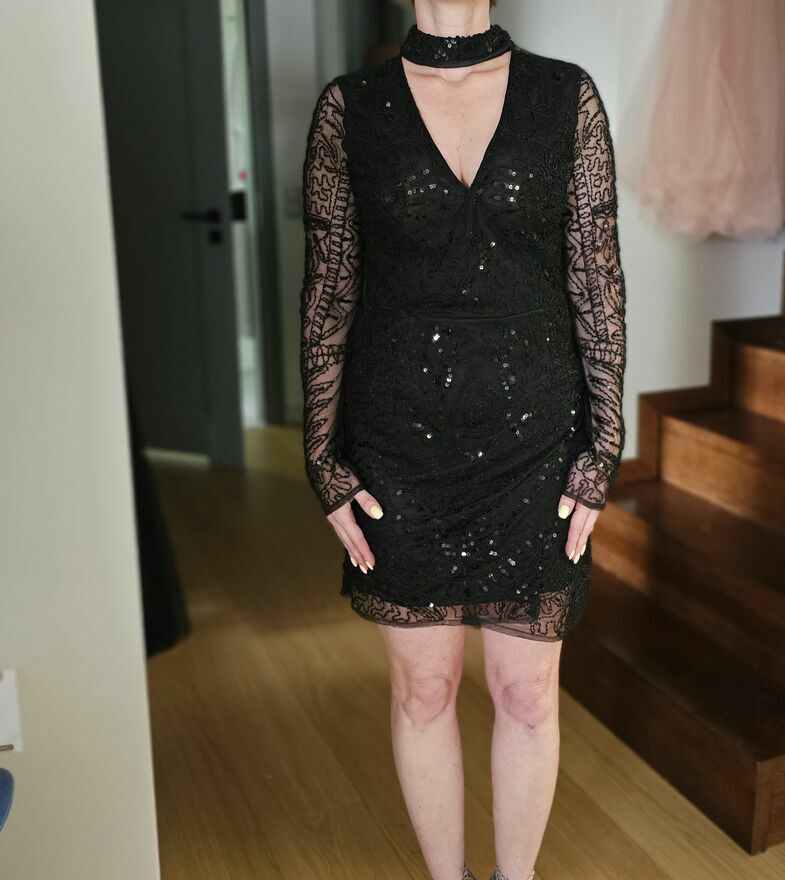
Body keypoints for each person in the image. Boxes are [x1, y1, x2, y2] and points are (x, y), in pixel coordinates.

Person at [299, 1, 626, 878]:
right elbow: (329, 294)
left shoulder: (565, 97)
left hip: (538, 445)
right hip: (398, 450)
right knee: (425, 690)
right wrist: (322, 460)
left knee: (526, 696)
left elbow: (597, 285)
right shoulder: (350, 109)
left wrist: (603, 450)